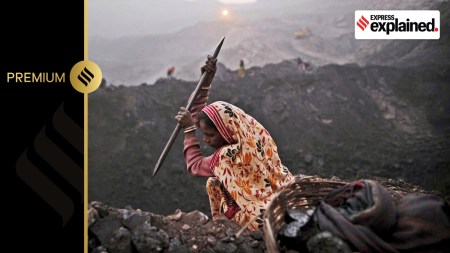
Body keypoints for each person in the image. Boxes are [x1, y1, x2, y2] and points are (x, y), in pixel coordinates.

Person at [175, 55, 294, 231]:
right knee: (217, 181)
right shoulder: (257, 135)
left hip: (258, 219)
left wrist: (189, 131)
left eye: (209, 135)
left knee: (212, 183)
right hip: (281, 199)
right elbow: (198, 116)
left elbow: (194, 165)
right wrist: (206, 82)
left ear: (225, 132)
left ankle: (227, 223)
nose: (206, 140)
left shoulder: (227, 156)